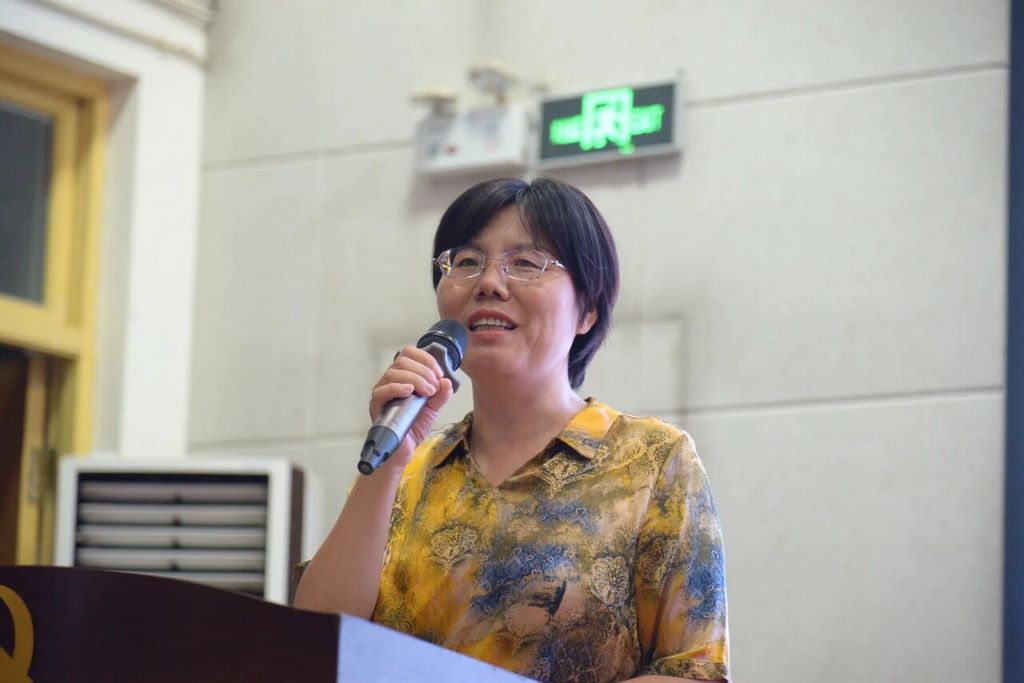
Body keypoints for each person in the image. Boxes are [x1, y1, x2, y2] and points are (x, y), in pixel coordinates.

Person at [294, 177, 730, 682]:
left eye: (525, 262)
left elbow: (692, 671)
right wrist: (386, 469)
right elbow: (312, 646)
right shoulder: (405, 466)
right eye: (466, 261)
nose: (489, 283)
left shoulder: (652, 460)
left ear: (587, 310)